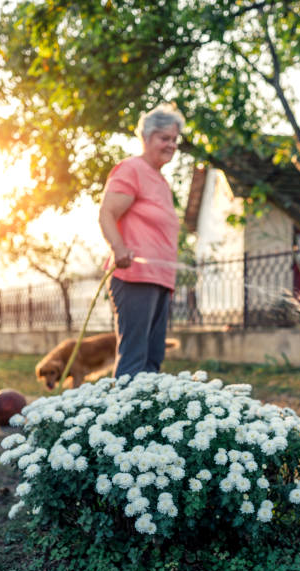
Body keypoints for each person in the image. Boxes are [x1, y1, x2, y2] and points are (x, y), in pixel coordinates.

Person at [99, 103, 184, 377]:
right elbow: (107, 213)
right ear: (146, 138)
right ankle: (122, 418)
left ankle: (145, 419)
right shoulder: (131, 169)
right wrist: (118, 248)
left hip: (161, 279)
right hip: (135, 276)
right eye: (164, 138)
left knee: (153, 359)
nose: (171, 145)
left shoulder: (161, 181)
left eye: (174, 139)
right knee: (134, 359)